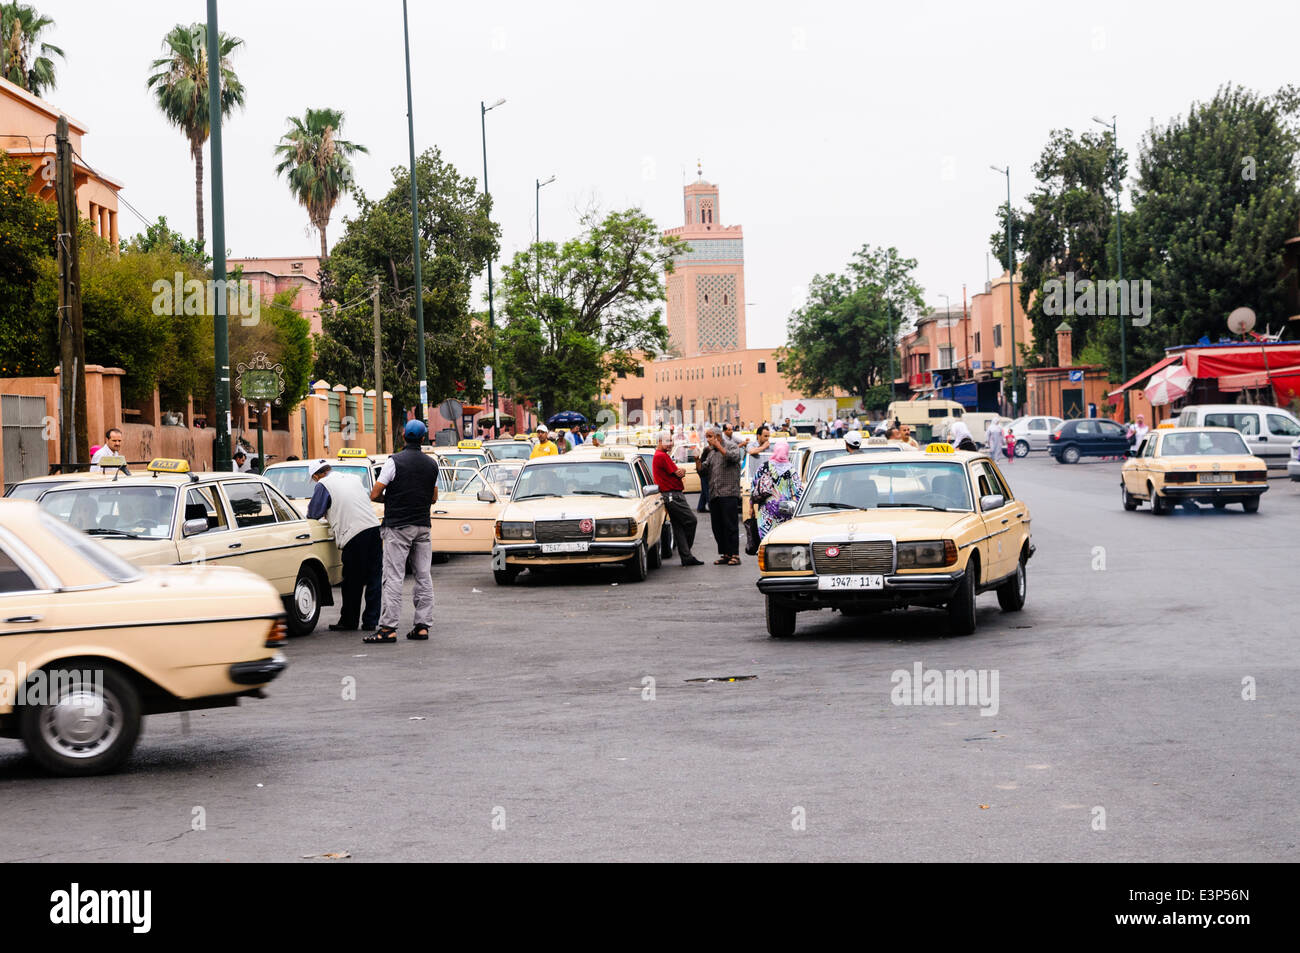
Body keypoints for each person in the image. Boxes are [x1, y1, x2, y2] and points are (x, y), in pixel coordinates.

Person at [368, 420, 439, 644]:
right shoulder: (431, 464)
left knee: (394, 577)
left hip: (398, 526)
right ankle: (422, 626)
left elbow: (375, 493)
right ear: (422, 438)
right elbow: (434, 497)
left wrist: (390, 499)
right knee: (423, 576)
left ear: (404, 436)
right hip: (423, 526)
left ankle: (388, 628)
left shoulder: (393, 462)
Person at [306, 459, 382, 632]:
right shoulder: (352, 478)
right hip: (373, 528)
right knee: (373, 579)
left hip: (353, 534)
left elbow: (314, 513)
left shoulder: (323, 484)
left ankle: (349, 621)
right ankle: (371, 621)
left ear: (317, 475)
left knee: (352, 581)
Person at [652, 431, 704, 567]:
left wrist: (681, 471)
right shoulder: (662, 456)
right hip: (672, 495)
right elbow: (678, 473)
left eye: (671, 440)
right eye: (667, 441)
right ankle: (686, 551)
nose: (670, 444)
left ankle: (686, 556)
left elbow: (677, 472)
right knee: (691, 521)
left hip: (671, 495)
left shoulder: (661, 456)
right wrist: (682, 472)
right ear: (659, 442)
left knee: (679, 526)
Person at [696, 425, 743, 565]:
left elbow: (733, 458)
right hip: (714, 493)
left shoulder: (731, 446)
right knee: (717, 526)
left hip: (728, 492)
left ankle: (735, 554)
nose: (708, 440)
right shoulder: (711, 452)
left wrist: (718, 446)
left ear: (717, 436)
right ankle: (725, 554)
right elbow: (703, 470)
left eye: (710, 437)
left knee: (730, 525)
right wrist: (697, 459)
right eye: (707, 437)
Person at [752, 440, 803, 539]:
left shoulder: (764, 467)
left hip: (765, 512)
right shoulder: (791, 470)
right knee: (781, 540)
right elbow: (799, 492)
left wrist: (751, 507)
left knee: (765, 540)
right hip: (785, 512)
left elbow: (754, 487)